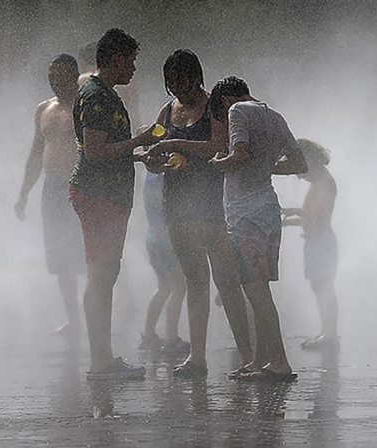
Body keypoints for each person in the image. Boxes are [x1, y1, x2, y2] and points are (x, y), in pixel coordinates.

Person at [143, 50, 253, 378]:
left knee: (226, 280)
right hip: (176, 203)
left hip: (212, 202)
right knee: (194, 280)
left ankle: (248, 356)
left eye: (181, 79)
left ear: (196, 76)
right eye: (170, 81)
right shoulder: (168, 110)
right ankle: (197, 357)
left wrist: (175, 144)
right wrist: (154, 160)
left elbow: (218, 147)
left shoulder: (213, 107)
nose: (176, 87)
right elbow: (157, 151)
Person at [70, 29, 163, 380]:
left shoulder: (106, 93)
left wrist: (140, 156)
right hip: (99, 195)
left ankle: (103, 358)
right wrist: (138, 141)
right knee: (100, 276)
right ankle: (100, 362)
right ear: (116, 59)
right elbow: (95, 153)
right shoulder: (95, 96)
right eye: (132, 61)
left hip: (108, 193)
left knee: (105, 275)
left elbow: (109, 150)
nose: (134, 69)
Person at [208, 76, 307, 381]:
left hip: (245, 215)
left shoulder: (237, 109)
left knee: (257, 292)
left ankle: (279, 362)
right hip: (268, 210)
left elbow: (240, 154)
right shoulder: (275, 117)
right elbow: (300, 164)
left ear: (225, 101)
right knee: (259, 288)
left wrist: (218, 162)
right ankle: (261, 360)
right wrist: (267, 167)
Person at [14, 54, 85, 337]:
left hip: (81, 185)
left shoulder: (85, 105)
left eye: (61, 77)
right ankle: (73, 317)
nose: (55, 83)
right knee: (60, 256)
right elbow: (35, 154)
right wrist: (23, 194)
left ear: (74, 76)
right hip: (52, 188)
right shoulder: (44, 109)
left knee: (88, 252)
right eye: (51, 77)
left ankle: (96, 310)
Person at [282, 139, 339, 350]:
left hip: (321, 240)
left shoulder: (324, 183)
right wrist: (286, 220)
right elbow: (312, 218)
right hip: (317, 239)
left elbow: (318, 217)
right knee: (320, 286)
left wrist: (291, 213)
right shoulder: (319, 182)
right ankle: (328, 333)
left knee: (323, 286)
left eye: (299, 169)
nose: (298, 176)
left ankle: (330, 335)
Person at [139, 171, 187, 353]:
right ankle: (171, 338)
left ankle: (149, 334)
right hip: (166, 237)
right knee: (179, 287)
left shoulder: (150, 174)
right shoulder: (166, 175)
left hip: (152, 236)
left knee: (164, 287)